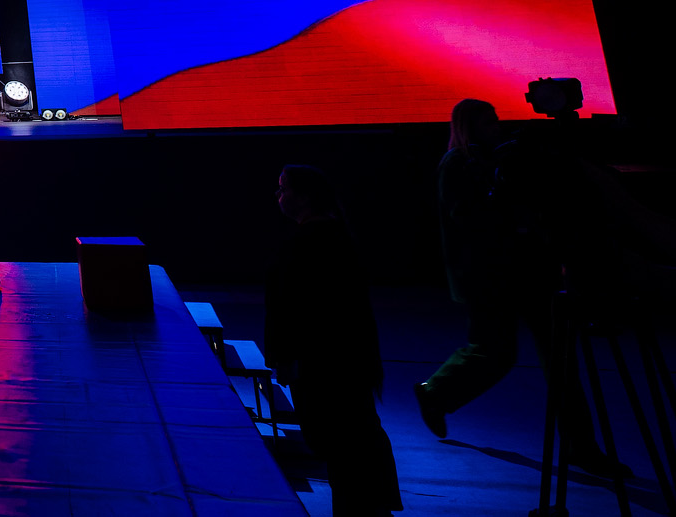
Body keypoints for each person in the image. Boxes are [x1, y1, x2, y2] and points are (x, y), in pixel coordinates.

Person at [413, 99, 625, 476]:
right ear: (469, 127)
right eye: (488, 122)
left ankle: (581, 447)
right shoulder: (458, 164)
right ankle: (436, 393)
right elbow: (469, 221)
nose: (496, 127)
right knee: (496, 353)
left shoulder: (500, 159)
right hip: (490, 278)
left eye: (495, 120)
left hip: (530, 272)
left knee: (560, 363)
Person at [265, 164, 400, 516]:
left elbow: (293, 306)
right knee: (353, 436)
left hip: (323, 362)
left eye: (284, 188)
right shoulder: (334, 236)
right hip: (342, 358)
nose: (278, 195)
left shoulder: (311, 241)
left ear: (304, 196)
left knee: (341, 442)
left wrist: (284, 355)